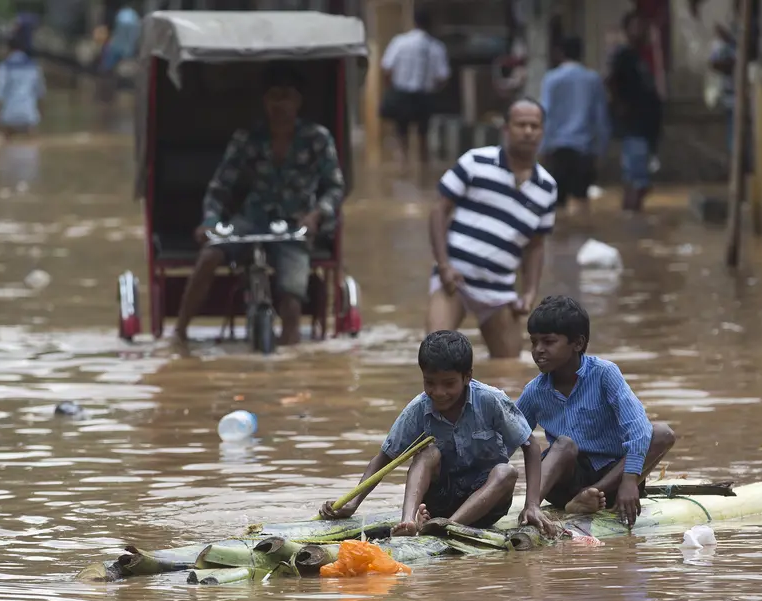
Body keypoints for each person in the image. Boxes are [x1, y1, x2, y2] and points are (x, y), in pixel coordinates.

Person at [318, 330, 558, 538]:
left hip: (486, 504)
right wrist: (353, 502)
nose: (438, 392)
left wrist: (532, 505)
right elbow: (384, 458)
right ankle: (409, 521)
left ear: (467, 377)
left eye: (448, 383)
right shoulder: (419, 408)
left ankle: (450, 526)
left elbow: (530, 445)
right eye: (430, 382)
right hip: (440, 502)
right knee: (427, 453)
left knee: (506, 471)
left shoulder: (491, 400)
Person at [173, 62, 345, 346]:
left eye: (286, 96)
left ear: (298, 101)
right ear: (265, 101)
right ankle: (179, 332)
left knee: (291, 300)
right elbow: (219, 188)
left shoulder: (317, 139)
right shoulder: (247, 139)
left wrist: (316, 215)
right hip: (251, 219)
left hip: (294, 224)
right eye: (274, 96)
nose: (280, 104)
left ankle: (289, 360)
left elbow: (335, 187)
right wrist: (210, 222)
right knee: (209, 256)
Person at [516, 296, 677, 529]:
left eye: (548, 342)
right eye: (534, 342)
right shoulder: (534, 391)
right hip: (564, 486)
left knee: (661, 433)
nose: (538, 350)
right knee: (564, 445)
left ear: (578, 343)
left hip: (612, 485)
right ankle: (533, 509)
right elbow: (508, 438)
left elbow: (639, 430)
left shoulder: (604, 374)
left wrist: (630, 480)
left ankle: (587, 497)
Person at [427, 98, 555, 360]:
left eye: (534, 125)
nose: (528, 131)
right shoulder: (475, 161)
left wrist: (529, 293)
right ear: (506, 129)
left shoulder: (547, 187)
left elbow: (535, 246)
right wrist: (443, 265)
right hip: (455, 281)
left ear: (542, 131)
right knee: (436, 357)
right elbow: (439, 210)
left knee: (510, 371)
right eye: (521, 125)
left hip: (499, 290)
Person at [539, 37, 609, 217]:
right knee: (581, 200)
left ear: (560, 54)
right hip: (584, 149)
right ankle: (580, 239)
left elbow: (546, 114)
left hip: (558, 148)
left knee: (556, 204)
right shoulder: (592, 79)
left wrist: (542, 147)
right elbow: (600, 118)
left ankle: (559, 241)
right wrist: (601, 150)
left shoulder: (552, 79)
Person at [607, 12, 663, 214]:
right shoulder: (623, 55)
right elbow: (611, 81)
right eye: (635, 26)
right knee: (638, 180)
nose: (640, 31)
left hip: (646, 126)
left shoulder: (645, 56)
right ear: (627, 30)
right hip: (634, 125)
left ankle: (632, 216)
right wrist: (620, 106)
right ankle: (631, 216)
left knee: (636, 179)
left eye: (643, 26)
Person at [379, 6, 449, 164]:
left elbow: (386, 68)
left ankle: (403, 165)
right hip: (425, 95)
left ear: (414, 22)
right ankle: (423, 167)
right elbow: (443, 77)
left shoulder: (400, 42)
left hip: (402, 93)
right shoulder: (437, 47)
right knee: (423, 135)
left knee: (401, 133)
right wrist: (434, 89)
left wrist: (391, 87)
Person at [0, 37, 46, 137]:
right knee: (32, 141)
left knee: (6, 143)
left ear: (8, 49)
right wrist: (41, 113)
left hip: (8, 116)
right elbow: (41, 92)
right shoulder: (34, 67)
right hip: (29, 116)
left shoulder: (3, 67)